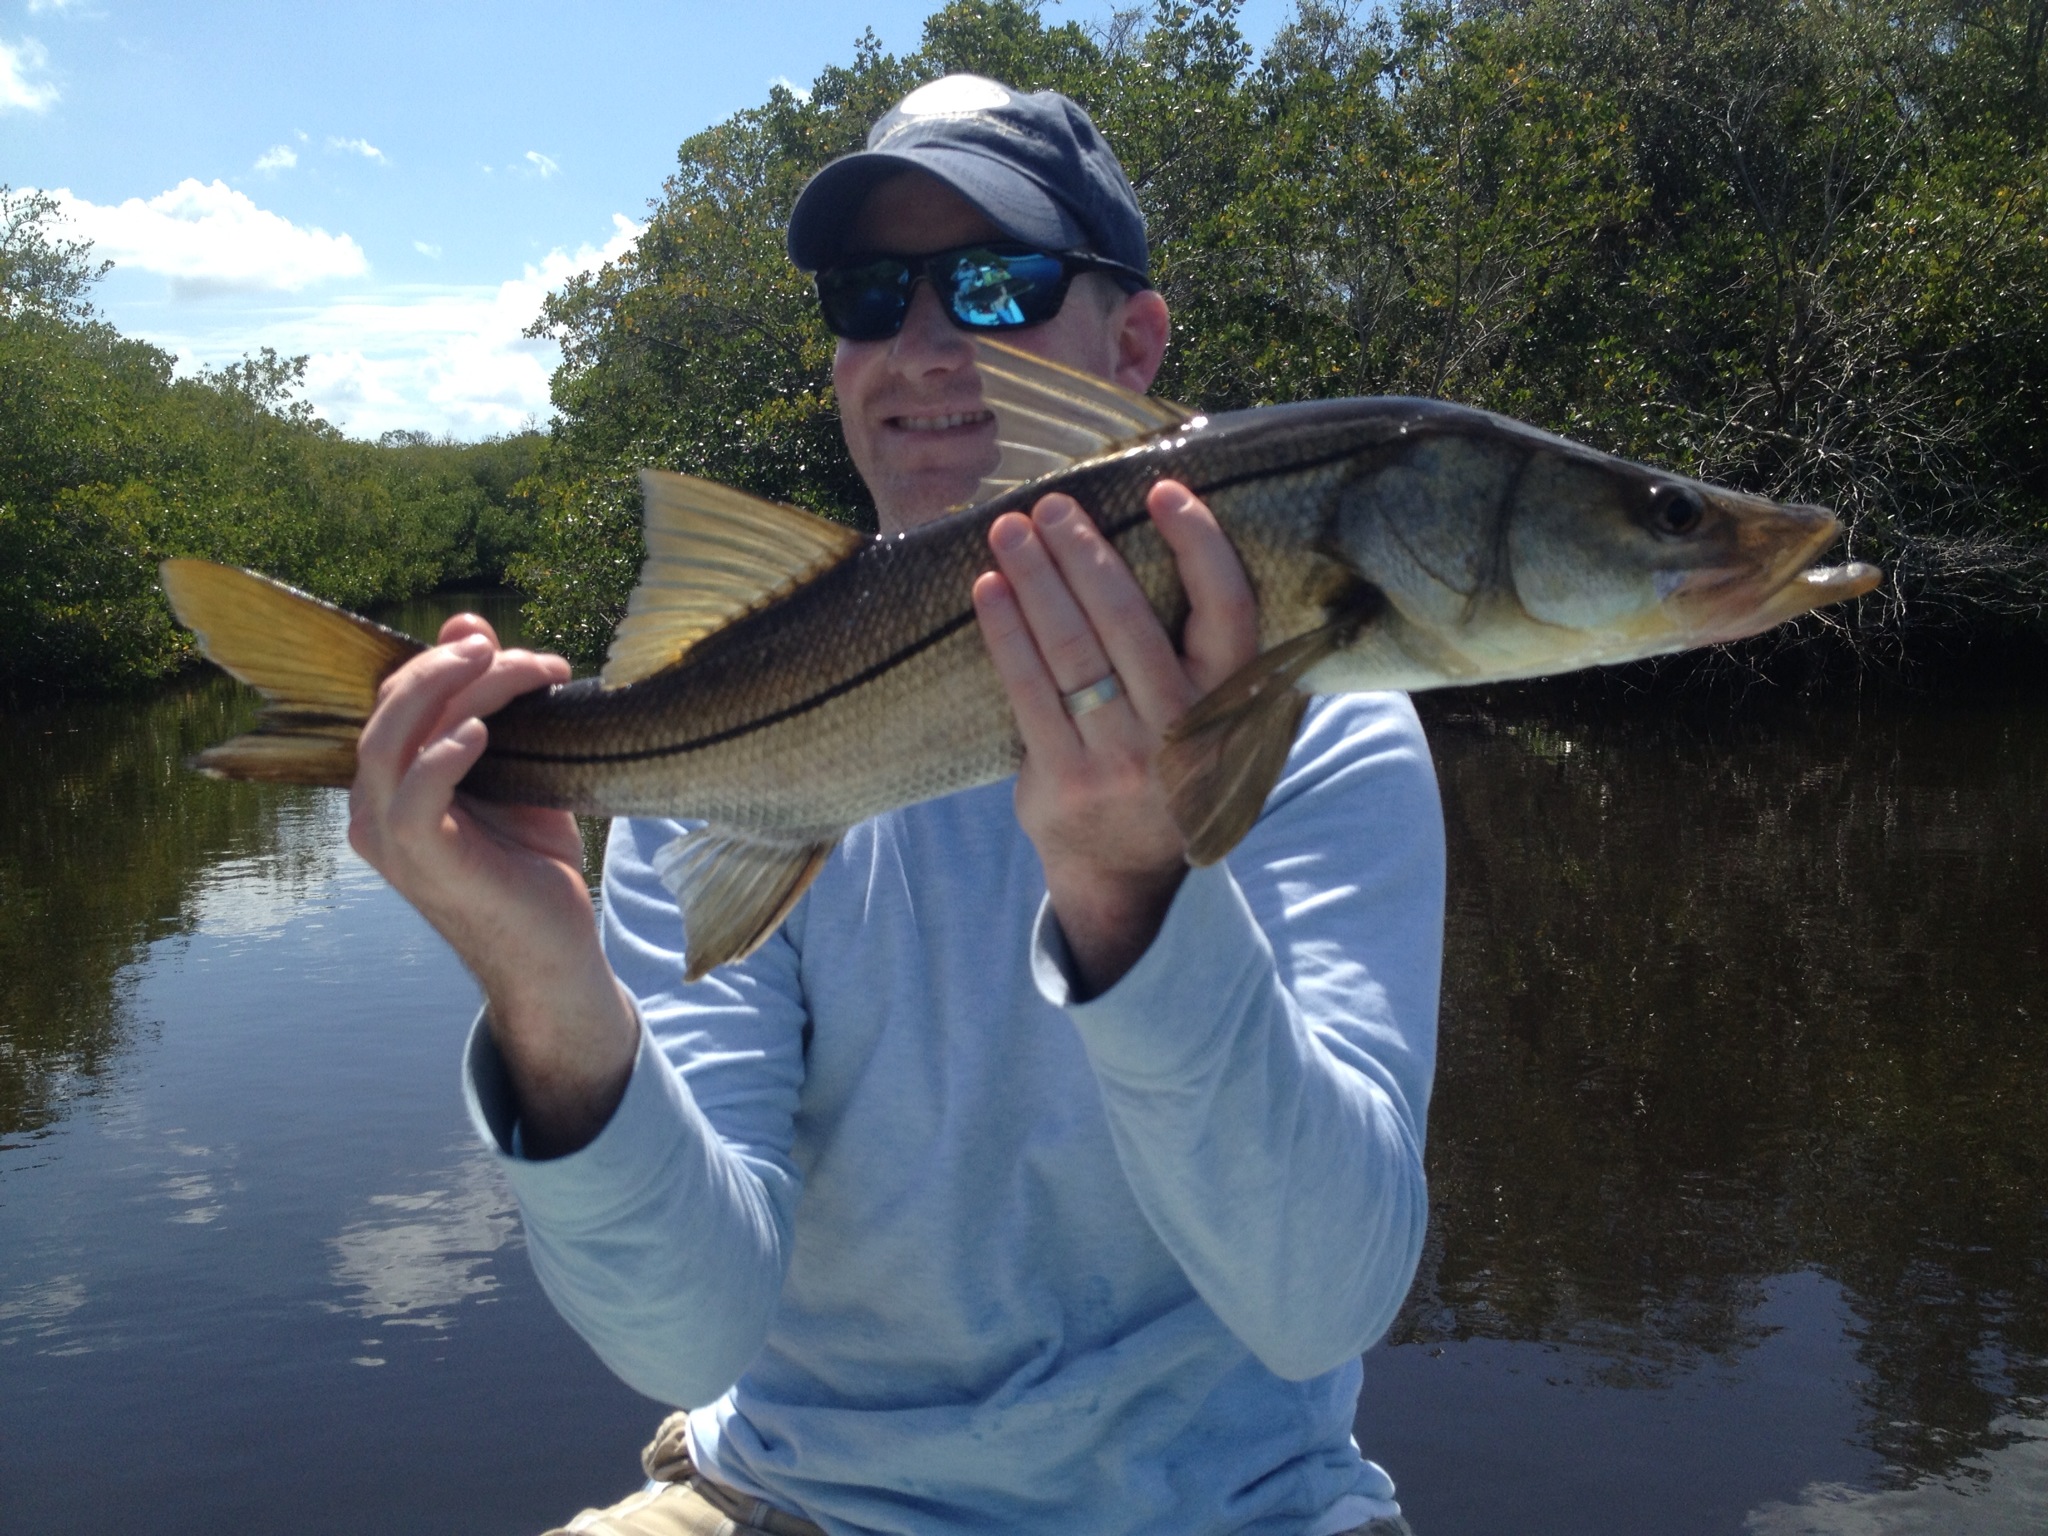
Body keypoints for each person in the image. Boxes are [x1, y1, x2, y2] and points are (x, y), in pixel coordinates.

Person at [346, 74, 1445, 1536]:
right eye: (871, 295)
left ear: (1136, 346)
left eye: (998, 282)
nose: (923, 343)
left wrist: (1136, 891)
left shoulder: (1325, 725)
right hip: (787, 1501)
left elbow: (1320, 1304)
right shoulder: (726, 736)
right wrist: (546, 986)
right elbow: (682, 1336)